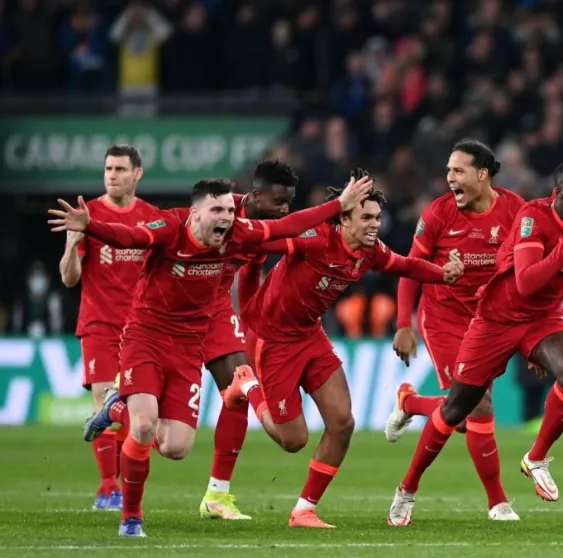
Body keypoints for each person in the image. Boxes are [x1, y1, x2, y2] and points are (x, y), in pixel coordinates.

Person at [49, 174, 373, 537]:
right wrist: (91, 226)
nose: (226, 217)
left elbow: (286, 226)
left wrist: (338, 204)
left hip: (196, 330)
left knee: (176, 447)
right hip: (148, 335)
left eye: (230, 211)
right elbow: (132, 236)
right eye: (218, 210)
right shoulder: (170, 227)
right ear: (196, 213)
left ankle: (130, 415)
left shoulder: (239, 231)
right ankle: (131, 518)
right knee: (143, 427)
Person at [225, 172, 464, 529]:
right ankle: (246, 386)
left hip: (311, 336)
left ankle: (304, 510)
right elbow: (265, 240)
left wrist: (442, 273)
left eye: (378, 218)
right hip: (271, 341)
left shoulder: (370, 253)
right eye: (366, 217)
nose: (374, 225)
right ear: (344, 218)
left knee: (342, 422)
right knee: (294, 440)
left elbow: (404, 264)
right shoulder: (314, 239)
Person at [386, 160, 563, 526]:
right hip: (495, 318)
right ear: (558, 191)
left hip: (542, 317)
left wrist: (541, 345)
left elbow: (555, 282)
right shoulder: (533, 218)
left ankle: (534, 459)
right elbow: (526, 282)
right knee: (458, 411)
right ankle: (407, 488)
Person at [385, 140, 526, 521]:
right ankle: (497, 502)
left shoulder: (516, 210)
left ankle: (410, 402)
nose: (450, 178)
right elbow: (411, 267)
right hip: (444, 318)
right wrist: (404, 324)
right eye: (448, 171)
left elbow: (528, 269)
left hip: (490, 322)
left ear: (482, 175)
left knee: (464, 416)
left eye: (458, 171)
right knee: (475, 406)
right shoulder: (438, 215)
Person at [59, 145, 158, 512]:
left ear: (137, 174)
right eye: (108, 169)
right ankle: (107, 488)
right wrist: (71, 246)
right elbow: (70, 279)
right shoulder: (89, 216)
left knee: (134, 415)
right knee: (105, 400)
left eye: (119, 169)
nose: (112, 175)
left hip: (142, 330)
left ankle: (116, 481)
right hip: (99, 324)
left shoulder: (151, 218)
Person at [197, 160, 298, 521]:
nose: (285, 210)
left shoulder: (264, 229)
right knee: (167, 438)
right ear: (255, 195)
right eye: (279, 202)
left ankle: (217, 495)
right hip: (176, 307)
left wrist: (250, 317)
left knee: (238, 387)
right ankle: (119, 402)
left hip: (218, 308)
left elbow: (252, 267)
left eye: (289, 203)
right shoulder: (220, 212)